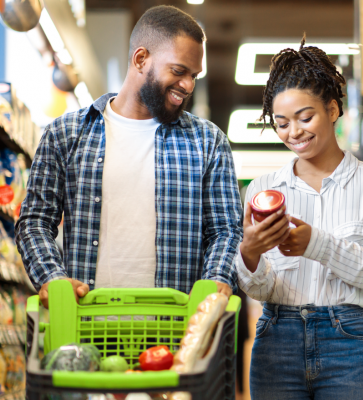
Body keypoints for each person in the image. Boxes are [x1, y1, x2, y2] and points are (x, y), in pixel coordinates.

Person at [16, 6, 243, 308]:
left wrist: (217, 279)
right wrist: (52, 277)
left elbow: (226, 231)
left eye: (193, 75)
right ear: (140, 59)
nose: (188, 85)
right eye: (178, 71)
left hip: (177, 332)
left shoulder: (208, 141)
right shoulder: (65, 134)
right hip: (85, 326)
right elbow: (34, 222)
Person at [237, 37, 363, 399]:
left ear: (332, 110)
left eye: (305, 117)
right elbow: (262, 289)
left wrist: (318, 244)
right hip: (276, 339)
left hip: (348, 342)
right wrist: (249, 254)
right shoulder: (262, 191)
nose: (293, 132)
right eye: (281, 123)